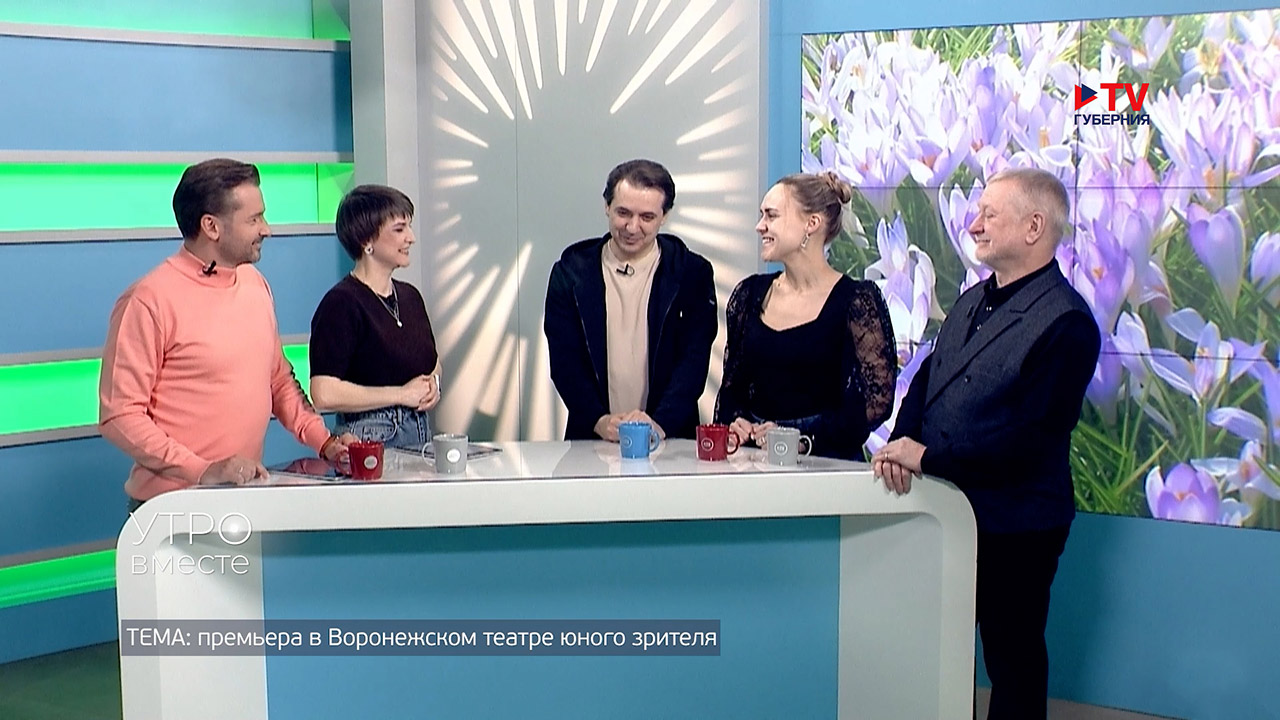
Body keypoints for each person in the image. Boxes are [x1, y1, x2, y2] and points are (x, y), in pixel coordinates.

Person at [872, 168, 1102, 720]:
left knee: (1011, 656)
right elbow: (927, 379)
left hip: (1017, 524)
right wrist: (902, 439)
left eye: (988, 214)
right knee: (937, 649)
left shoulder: (1067, 323)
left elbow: (1031, 438)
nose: (973, 225)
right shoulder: (973, 300)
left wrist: (928, 458)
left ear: (1033, 227)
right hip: (947, 509)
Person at [99, 159, 356, 509]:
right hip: (169, 509)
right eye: (254, 219)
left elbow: (279, 381)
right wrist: (202, 470)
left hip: (243, 499)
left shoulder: (255, 285)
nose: (267, 229)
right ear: (211, 226)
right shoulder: (148, 300)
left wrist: (324, 442)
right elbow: (120, 416)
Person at [714, 172, 896, 460]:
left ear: (811, 224)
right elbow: (731, 391)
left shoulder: (858, 301)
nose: (760, 226)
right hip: (755, 466)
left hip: (826, 467)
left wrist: (801, 437)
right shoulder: (749, 295)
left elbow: (875, 403)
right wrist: (737, 421)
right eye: (762, 215)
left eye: (771, 215)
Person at [544, 159, 718, 441]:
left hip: (671, 440)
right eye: (623, 213)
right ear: (607, 206)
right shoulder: (570, 273)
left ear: (665, 216)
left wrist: (659, 423)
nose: (632, 227)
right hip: (591, 439)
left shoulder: (692, 273)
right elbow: (565, 362)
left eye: (647, 217)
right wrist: (599, 421)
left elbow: (693, 362)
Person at [308, 185, 441, 449]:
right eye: (399, 229)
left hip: (419, 432)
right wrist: (401, 395)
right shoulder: (341, 303)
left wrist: (434, 384)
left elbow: (432, 362)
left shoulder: (410, 296)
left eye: (409, 227)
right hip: (370, 437)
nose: (411, 238)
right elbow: (323, 392)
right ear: (366, 241)